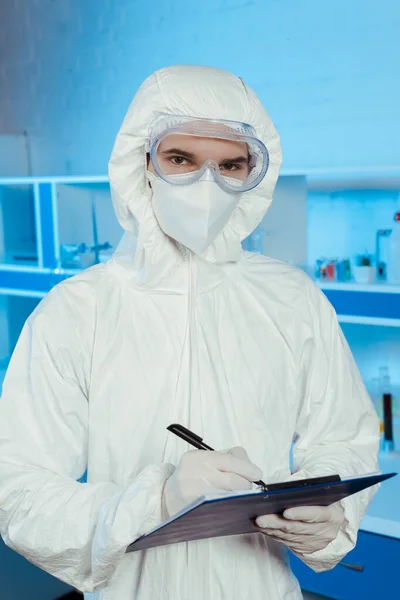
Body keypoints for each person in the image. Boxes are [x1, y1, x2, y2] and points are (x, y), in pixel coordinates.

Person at [0, 65, 379, 600]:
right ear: (143, 163)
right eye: (181, 159)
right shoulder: (78, 309)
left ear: (255, 173)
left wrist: (329, 511)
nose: (208, 185)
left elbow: (344, 437)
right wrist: (155, 501)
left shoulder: (293, 300)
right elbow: (17, 491)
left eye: (230, 165)